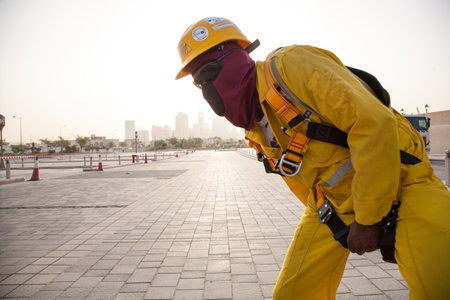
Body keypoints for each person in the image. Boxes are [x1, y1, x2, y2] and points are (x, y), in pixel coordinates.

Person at [175, 17, 450, 300]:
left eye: (210, 73)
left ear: (239, 57)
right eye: (199, 82)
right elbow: (302, 177)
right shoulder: (257, 124)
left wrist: (368, 219)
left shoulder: (290, 66)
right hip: (332, 203)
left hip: (403, 181)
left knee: (440, 286)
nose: (208, 89)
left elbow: (373, 123)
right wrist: (331, 218)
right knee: (293, 295)